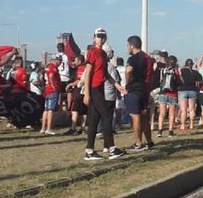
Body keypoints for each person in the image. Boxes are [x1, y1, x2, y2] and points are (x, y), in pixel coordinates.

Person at [82, 29, 126, 161]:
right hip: (94, 88)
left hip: (100, 87)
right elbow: (88, 72)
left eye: (103, 37)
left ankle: (89, 150)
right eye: (98, 36)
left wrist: (116, 84)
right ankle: (111, 148)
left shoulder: (102, 53)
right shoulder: (92, 52)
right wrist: (87, 93)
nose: (101, 39)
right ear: (94, 38)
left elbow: (105, 73)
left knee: (95, 119)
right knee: (107, 115)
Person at [125, 35, 155, 151]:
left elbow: (129, 70)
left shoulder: (133, 58)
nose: (127, 48)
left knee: (135, 116)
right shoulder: (147, 57)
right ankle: (149, 141)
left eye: (128, 45)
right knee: (143, 117)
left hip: (134, 89)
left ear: (132, 46)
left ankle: (138, 143)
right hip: (144, 90)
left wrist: (128, 82)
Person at [157, 55, 181, 137]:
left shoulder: (162, 70)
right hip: (173, 93)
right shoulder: (176, 71)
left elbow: (160, 81)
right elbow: (180, 82)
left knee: (162, 113)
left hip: (163, 93)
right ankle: (170, 131)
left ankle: (159, 131)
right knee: (171, 113)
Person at [40, 54, 61, 135]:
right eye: (59, 61)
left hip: (47, 90)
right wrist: (53, 85)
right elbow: (51, 76)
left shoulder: (48, 66)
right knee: (50, 109)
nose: (59, 63)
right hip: (52, 90)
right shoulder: (53, 67)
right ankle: (48, 128)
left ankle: (43, 128)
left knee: (46, 109)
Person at [66, 55, 86, 135]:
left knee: (75, 109)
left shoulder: (81, 69)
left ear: (80, 61)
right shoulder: (86, 67)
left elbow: (80, 80)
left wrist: (71, 84)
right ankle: (83, 128)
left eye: (75, 60)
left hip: (79, 91)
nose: (74, 62)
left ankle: (73, 128)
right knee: (84, 111)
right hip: (85, 91)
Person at [177, 58, 200, 131]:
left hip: (183, 90)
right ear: (192, 65)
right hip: (193, 91)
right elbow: (198, 83)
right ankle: (192, 124)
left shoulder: (181, 71)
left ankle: (183, 125)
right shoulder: (195, 72)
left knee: (183, 110)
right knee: (192, 109)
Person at [56, 42, 71, 109]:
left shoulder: (55, 56)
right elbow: (70, 65)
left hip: (58, 77)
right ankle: (68, 107)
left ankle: (59, 107)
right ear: (64, 48)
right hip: (66, 77)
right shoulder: (67, 56)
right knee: (68, 93)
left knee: (59, 93)